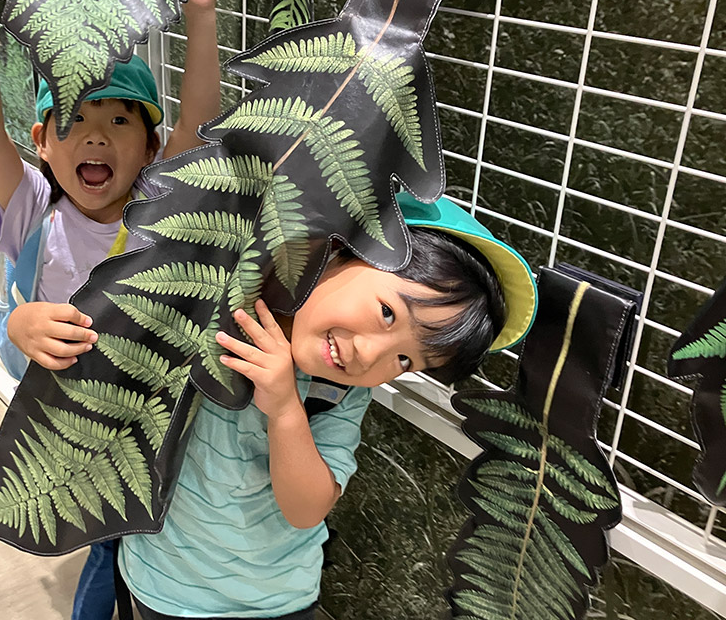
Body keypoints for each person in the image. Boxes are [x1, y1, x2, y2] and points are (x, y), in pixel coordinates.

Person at [0, 0, 230, 620]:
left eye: (121, 120)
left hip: (150, 418)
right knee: (103, 544)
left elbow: (199, 124)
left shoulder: (162, 204)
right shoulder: (32, 208)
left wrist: (202, 13)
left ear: (152, 147)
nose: (96, 135)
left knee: (132, 540)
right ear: (41, 141)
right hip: (70, 421)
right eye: (72, 118)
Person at [106, 194, 537, 619]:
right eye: (388, 313)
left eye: (405, 360)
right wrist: (58, 333)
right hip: (164, 583)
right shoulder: (208, 310)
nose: (370, 355)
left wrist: (285, 410)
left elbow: (307, 510)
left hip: (278, 598)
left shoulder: (340, 393)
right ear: (340, 251)